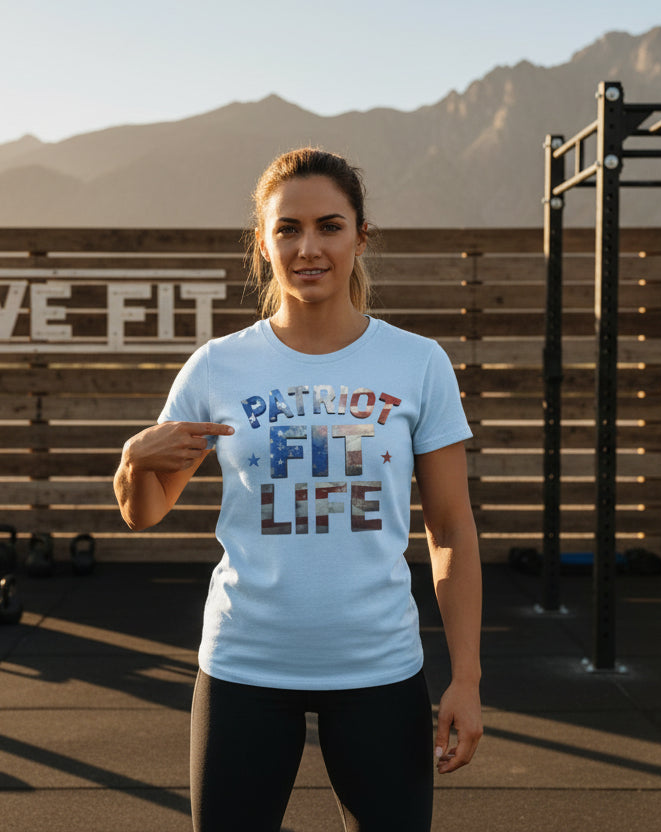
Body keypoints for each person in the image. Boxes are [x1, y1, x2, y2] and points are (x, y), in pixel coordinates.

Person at [114, 147, 482, 831]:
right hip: (245, 665)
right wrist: (133, 461)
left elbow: (451, 531)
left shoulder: (417, 363)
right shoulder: (218, 367)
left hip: (378, 668)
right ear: (264, 242)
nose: (308, 247)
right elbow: (145, 511)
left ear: (360, 237)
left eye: (329, 226)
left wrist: (467, 678)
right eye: (288, 229)